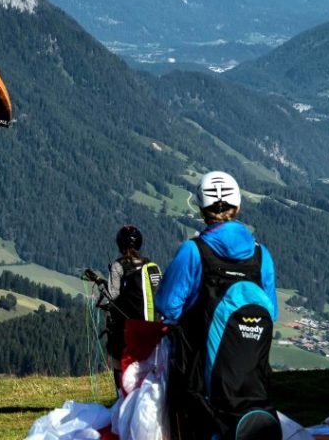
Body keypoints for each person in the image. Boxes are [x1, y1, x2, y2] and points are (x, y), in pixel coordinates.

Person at [157, 171, 280, 440]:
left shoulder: (194, 251)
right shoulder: (262, 257)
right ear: (238, 207)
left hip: (200, 378)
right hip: (252, 381)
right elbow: (272, 311)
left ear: (203, 210)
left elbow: (167, 305)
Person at [86, 225, 162, 391]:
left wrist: (100, 286)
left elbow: (111, 295)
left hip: (126, 328)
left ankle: (122, 401)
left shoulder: (118, 266)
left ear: (120, 245)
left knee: (119, 362)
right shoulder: (151, 266)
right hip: (152, 326)